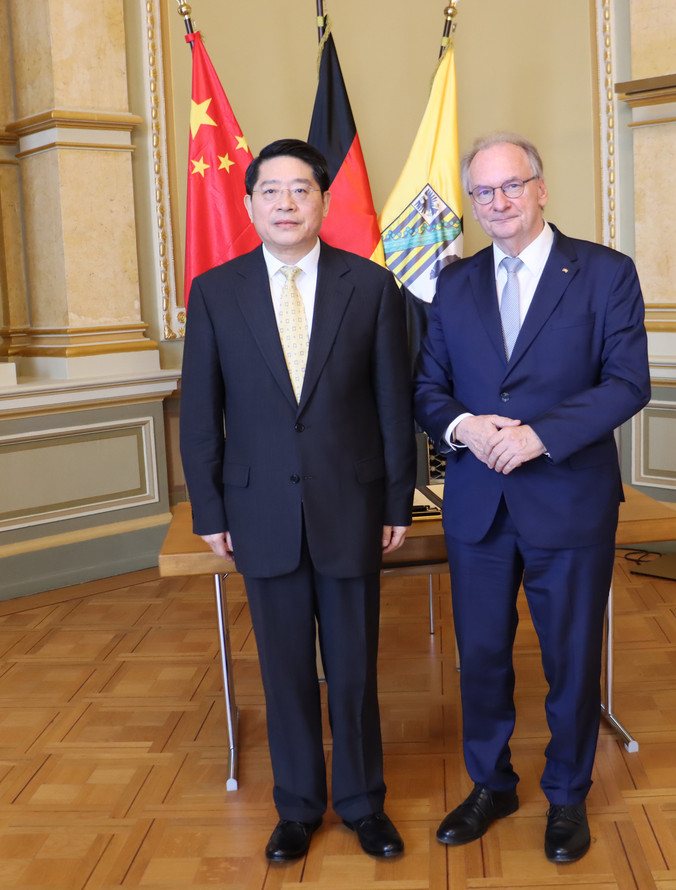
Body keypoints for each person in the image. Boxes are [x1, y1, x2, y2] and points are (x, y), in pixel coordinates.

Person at [414, 133, 650, 863]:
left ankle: (568, 795)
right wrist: (463, 426)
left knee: (570, 660)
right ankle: (492, 784)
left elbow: (627, 383)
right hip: (479, 504)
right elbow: (428, 387)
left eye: (511, 186)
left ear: (541, 188)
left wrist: (540, 436)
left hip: (569, 499)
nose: (498, 202)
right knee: (481, 657)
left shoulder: (606, 274)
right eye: (483, 192)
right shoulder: (453, 283)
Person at [180, 139, 416, 862]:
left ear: (322, 200)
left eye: (301, 190)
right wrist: (212, 511)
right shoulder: (216, 292)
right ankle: (298, 807)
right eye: (272, 191)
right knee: (283, 671)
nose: (286, 203)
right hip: (259, 516)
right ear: (249, 204)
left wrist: (397, 504)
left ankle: (363, 803)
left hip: (352, 507)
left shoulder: (371, 286)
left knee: (352, 668)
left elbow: (392, 405)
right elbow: (200, 414)